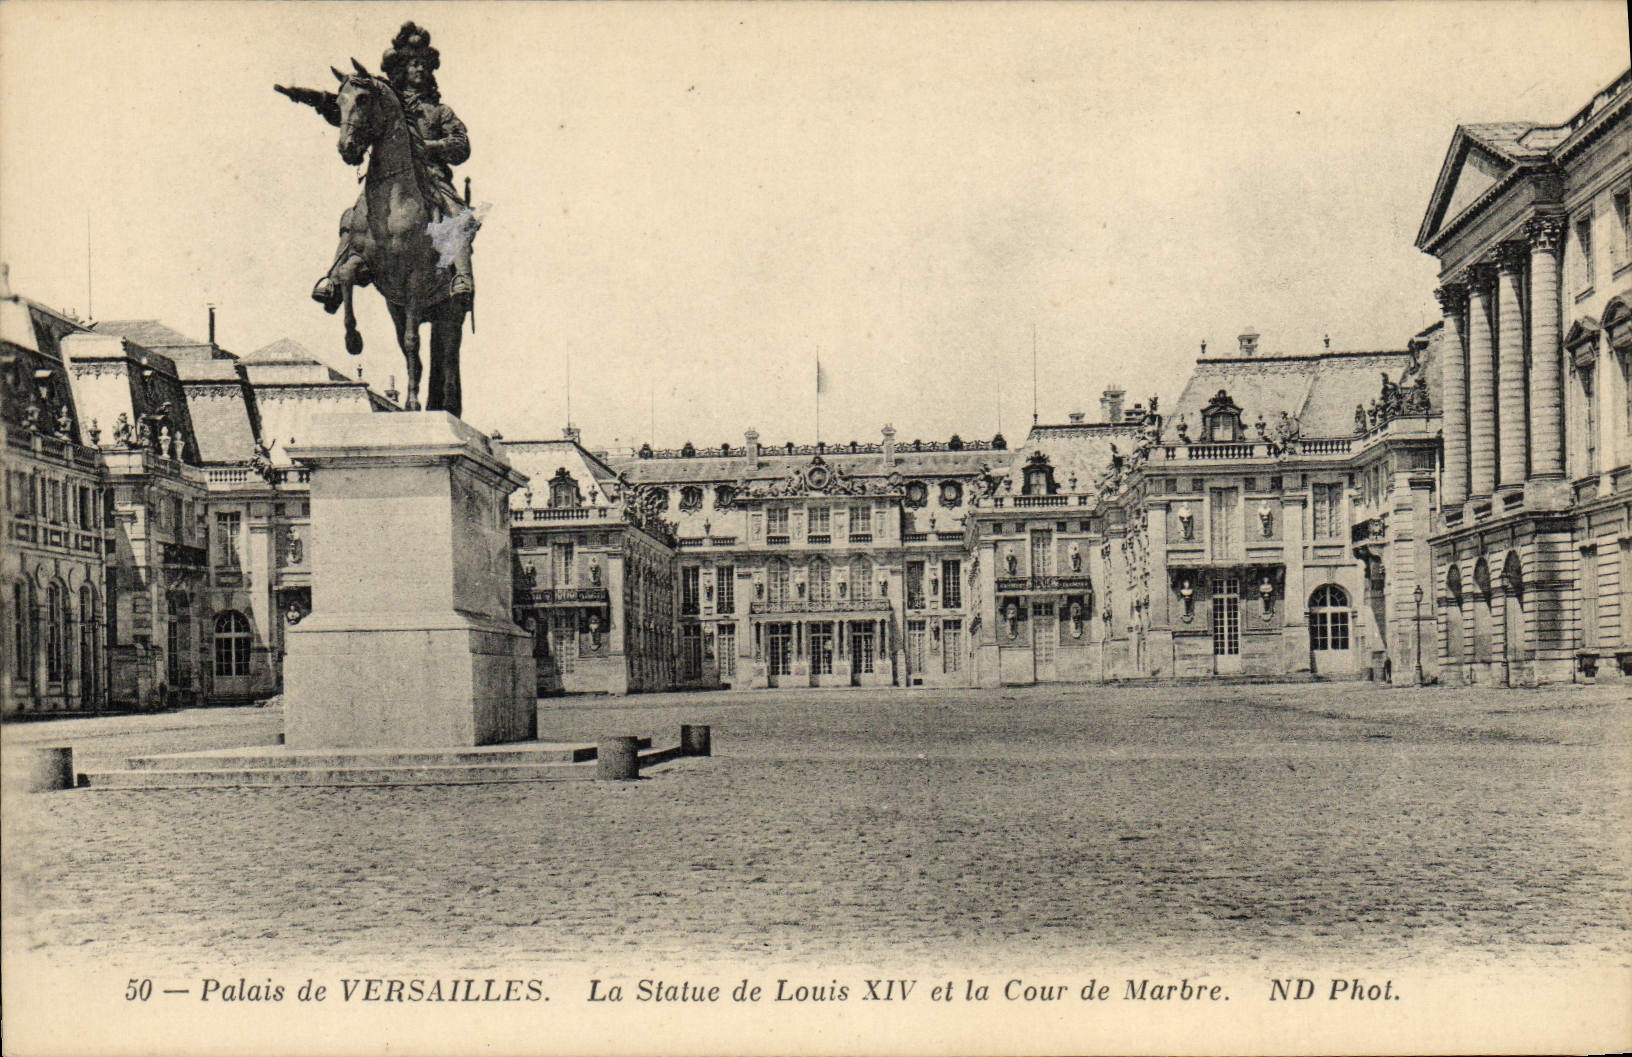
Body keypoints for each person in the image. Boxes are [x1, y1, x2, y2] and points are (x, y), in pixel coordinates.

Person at [310, 22, 476, 310]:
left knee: (456, 214)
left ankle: (461, 277)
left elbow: (462, 145)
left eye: (424, 64)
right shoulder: (386, 101)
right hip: (386, 176)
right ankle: (334, 279)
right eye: (413, 64)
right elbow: (357, 116)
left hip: (431, 176)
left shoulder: (439, 111)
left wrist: (432, 147)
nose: (419, 69)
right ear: (401, 69)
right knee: (352, 218)